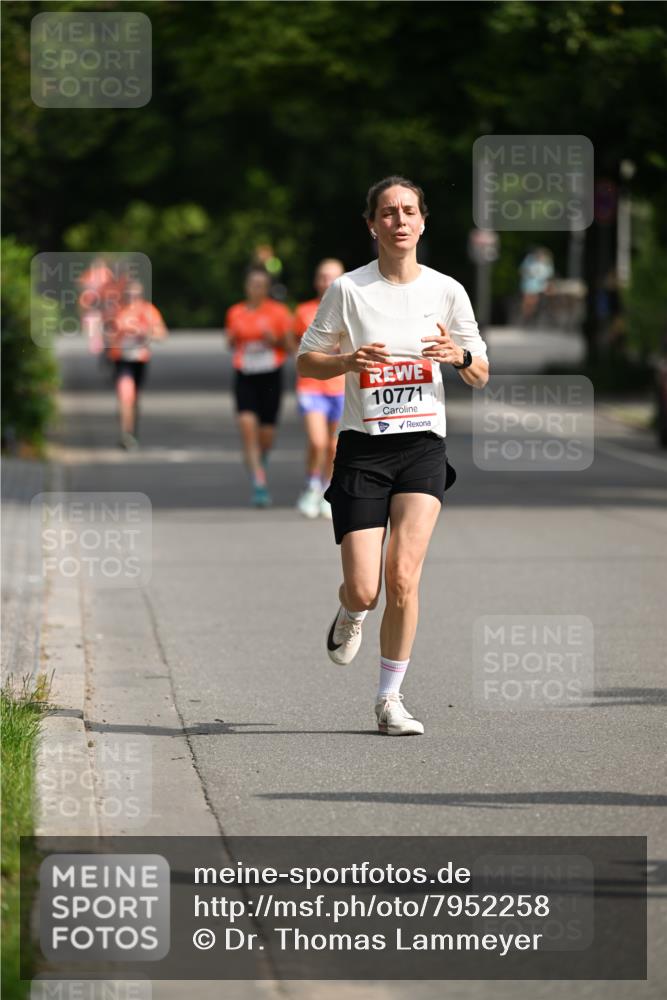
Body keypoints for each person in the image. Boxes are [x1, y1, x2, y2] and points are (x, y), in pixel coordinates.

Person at [296, 176, 489, 736]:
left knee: (403, 577)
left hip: (423, 447)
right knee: (366, 588)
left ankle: (389, 699)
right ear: (372, 224)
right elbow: (308, 362)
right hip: (363, 450)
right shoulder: (349, 291)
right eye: (388, 212)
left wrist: (459, 355)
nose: (399, 220)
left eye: (409, 211)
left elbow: (480, 373)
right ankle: (351, 612)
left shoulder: (448, 291)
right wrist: (349, 361)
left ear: (423, 222)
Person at [224, 266, 292, 506]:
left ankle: (260, 464)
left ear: (267, 288)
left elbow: (291, 347)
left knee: (266, 435)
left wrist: (274, 340)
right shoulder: (236, 312)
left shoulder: (279, 312)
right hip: (245, 374)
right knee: (247, 428)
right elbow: (230, 342)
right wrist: (233, 339)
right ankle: (259, 483)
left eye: (261, 285)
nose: (257, 289)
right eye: (253, 284)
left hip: (270, 376)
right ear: (246, 287)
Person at [291, 258, 346, 519]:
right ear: (316, 281)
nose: (327, 282)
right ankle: (312, 484)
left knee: (334, 446)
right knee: (317, 441)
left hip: (341, 387)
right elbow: (294, 344)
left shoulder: (350, 309)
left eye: (333, 277)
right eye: (323, 277)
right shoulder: (303, 311)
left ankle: (327, 488)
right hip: (311, 385)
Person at [108, 280, 167, 449]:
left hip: (139, 360)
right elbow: (106, 334)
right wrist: (119, 334)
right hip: (121, 360)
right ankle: (125, 434)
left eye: (136, 294)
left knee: (133, 398)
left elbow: (162, 334)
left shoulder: (148, 311)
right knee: (125, 395)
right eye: (129, 294)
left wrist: (145, 333)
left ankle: (131, 431)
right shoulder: (117, 311)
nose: (132, 298)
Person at [519, 247, 554, 324]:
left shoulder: (546, 263)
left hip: (540, 287)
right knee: (528, 301)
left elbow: (548, 275)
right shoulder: (529, 260)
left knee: (535, 302)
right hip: (528, 285)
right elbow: (523, 271)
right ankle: (526, 317)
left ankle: (532, 317)